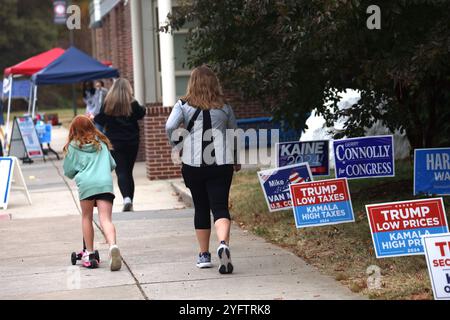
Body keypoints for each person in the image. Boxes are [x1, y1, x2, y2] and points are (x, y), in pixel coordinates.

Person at [165, 65, 241, 274]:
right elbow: (234, 134)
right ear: (214, 83)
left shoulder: (182, 105)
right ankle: (223, 243)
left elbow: (170, 126)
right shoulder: (224, 106)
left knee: (201, 207)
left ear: (192, 83)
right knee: (220, 207)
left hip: (193, 164)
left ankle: (204, 255)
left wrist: (178, 145)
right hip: (222, 164)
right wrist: (236, 159)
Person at [63, 115, 122, 271]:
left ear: (73, 130)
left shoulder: (73, 147)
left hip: (87, 185)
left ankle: (89, 253)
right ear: (91, 127)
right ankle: (112, 246)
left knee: (87, 217)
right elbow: (112, 164)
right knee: (105, 219)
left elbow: (69, 171)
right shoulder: (101, 143)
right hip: (104, 183)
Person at [94, 78, 146, 212]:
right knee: (129, 171)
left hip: (114, 142)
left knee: (121, 171)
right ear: (128, 89)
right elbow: (141, 113)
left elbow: (99, 118)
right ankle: (130, 201)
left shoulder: (108, 103)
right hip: (132, 141)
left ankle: (126, 199)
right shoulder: (132, 103)